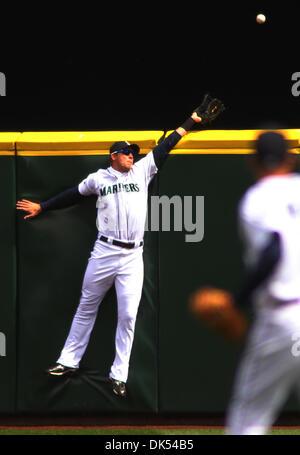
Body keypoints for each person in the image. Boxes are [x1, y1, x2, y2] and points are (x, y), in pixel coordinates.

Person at [16, 95, 224, 398]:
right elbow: (72, 195)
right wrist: (43, 207)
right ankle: (68, 361)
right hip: (103, 251)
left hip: (131, 256)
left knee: (128, 316)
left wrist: (191, 121)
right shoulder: (98, 179)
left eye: (132, 153)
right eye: (126, 152)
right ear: (113, 155)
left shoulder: (141, 171)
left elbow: (166, 146)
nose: (131, 155)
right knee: (86, 307)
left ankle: (119, 375)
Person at [225, 131, 300, 434]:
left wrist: (236, 301)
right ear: (291, 158)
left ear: (253, 162)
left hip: (282, 319)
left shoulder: (256, 199)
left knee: (248, 421)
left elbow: (273, 250)